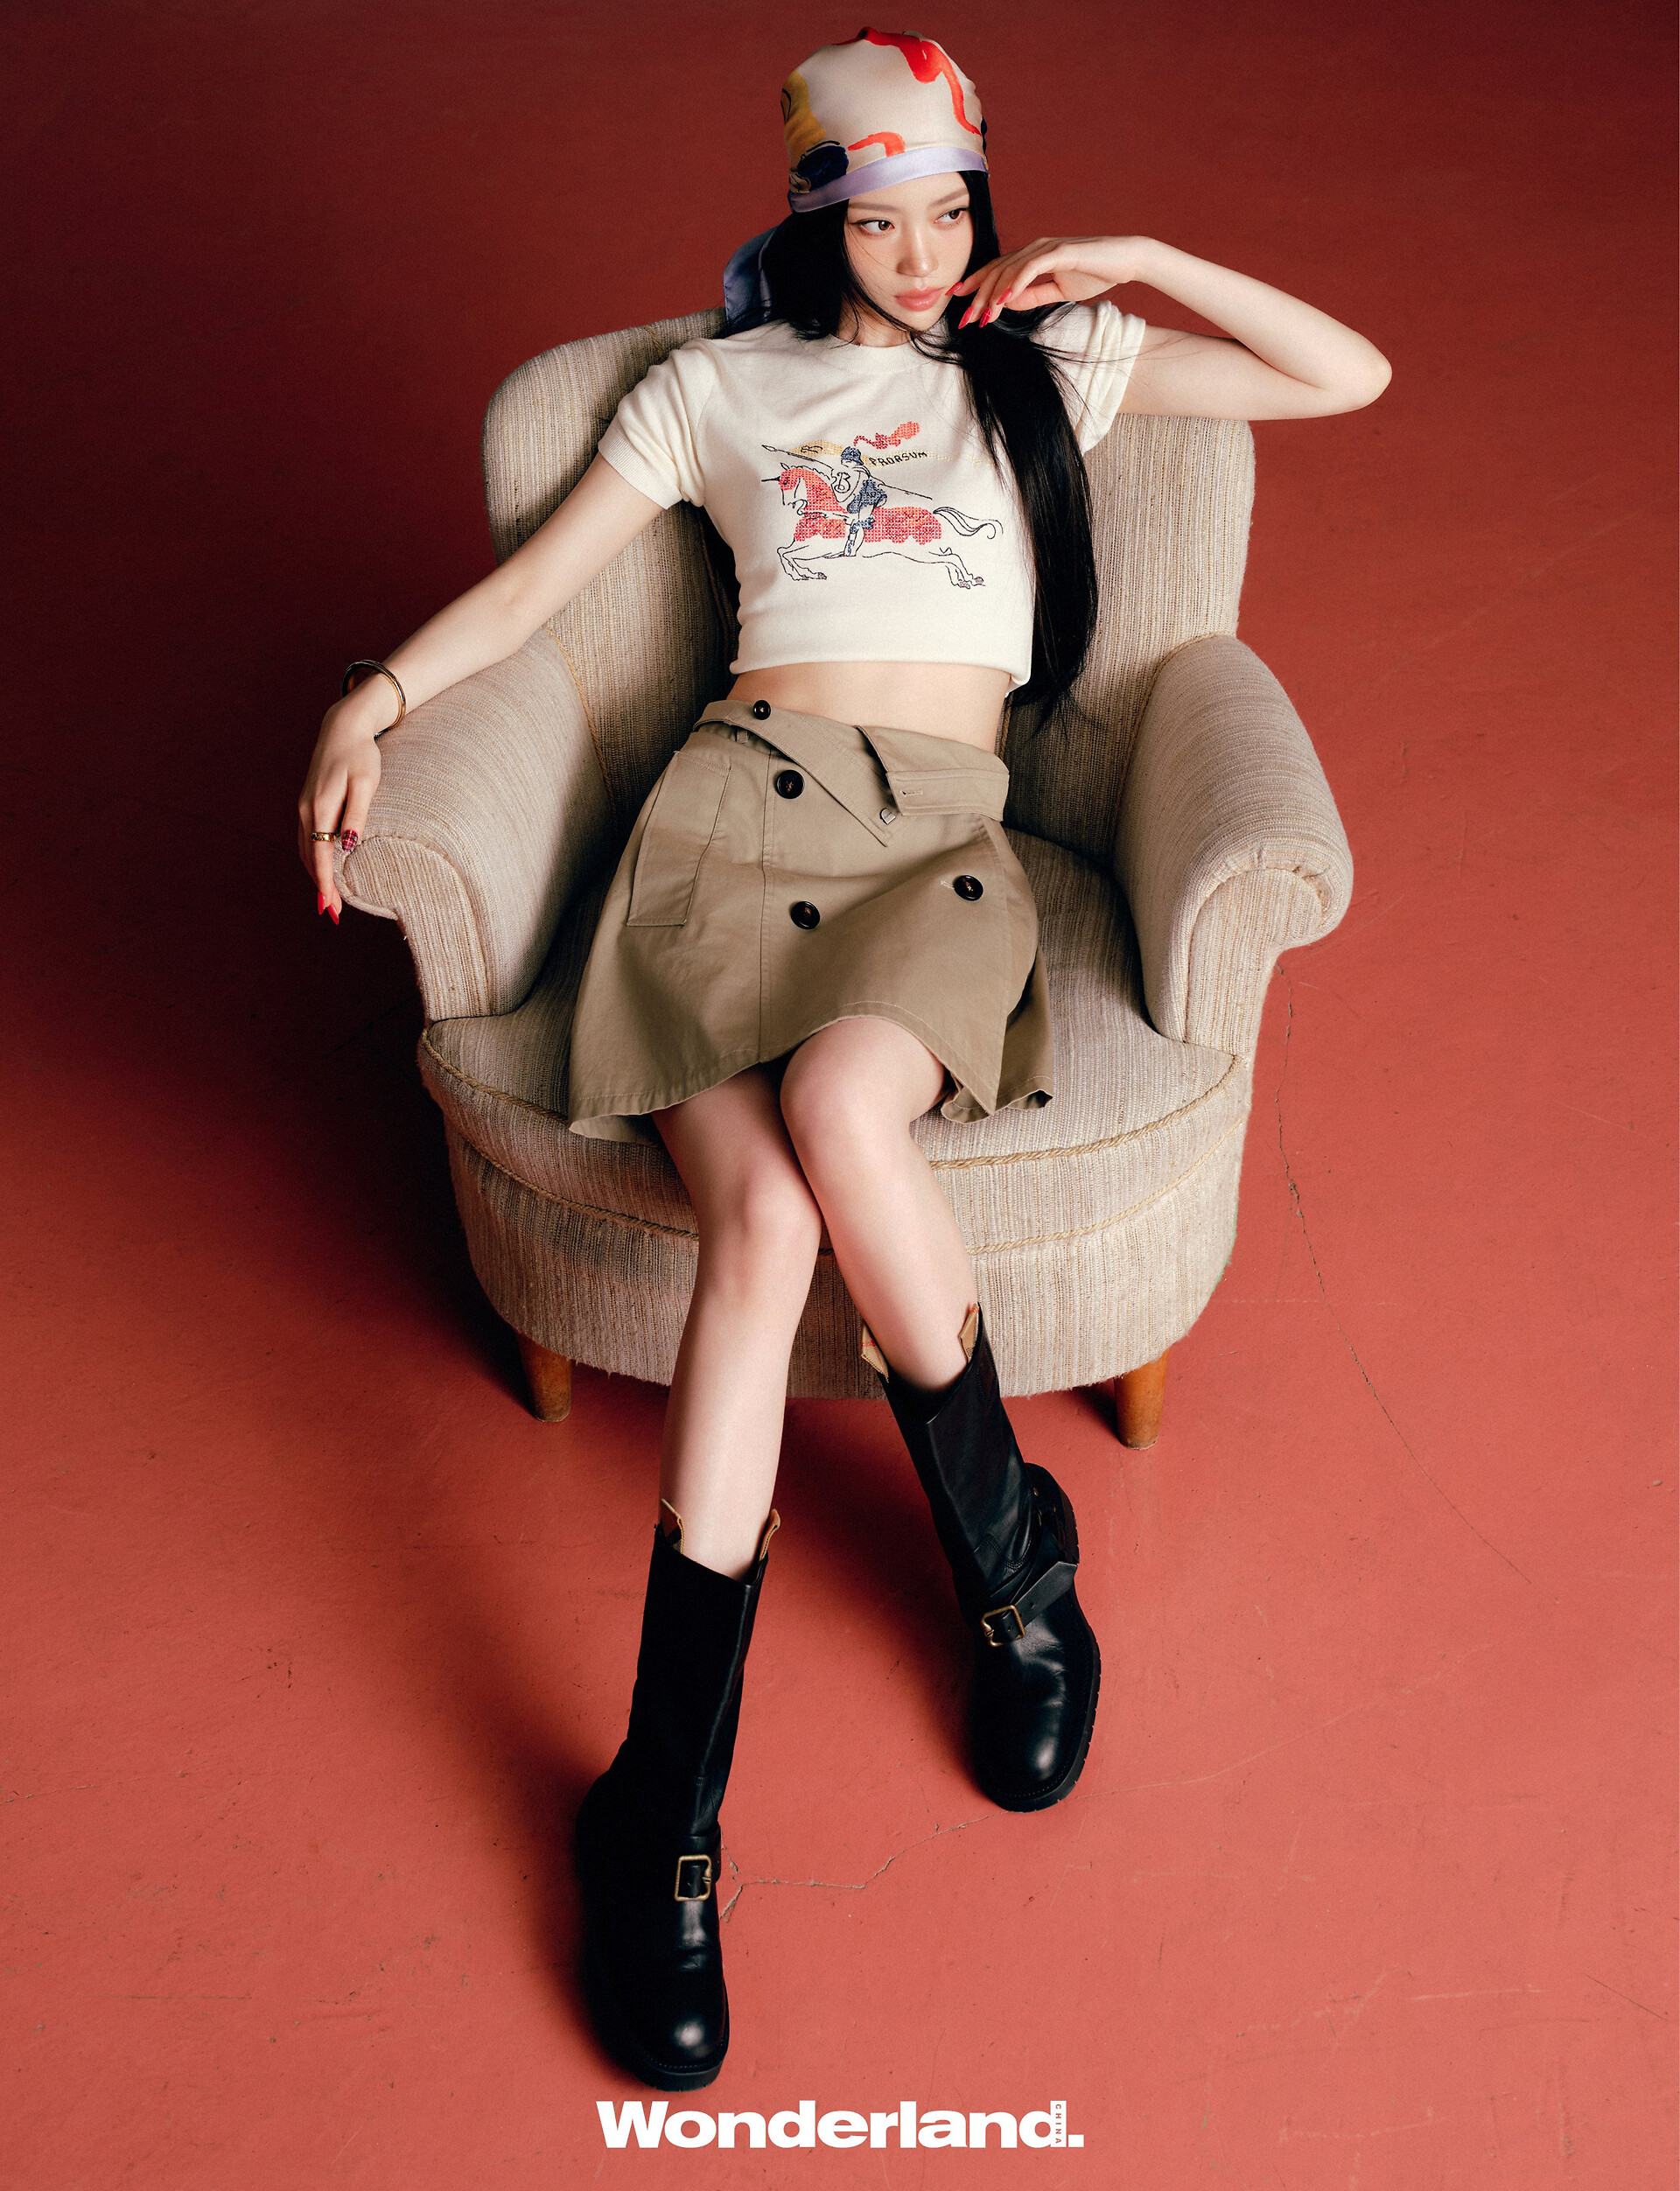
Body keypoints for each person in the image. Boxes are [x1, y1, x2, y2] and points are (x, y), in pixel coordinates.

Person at [297, 26, 1390, 2094]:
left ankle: (1014, 1575)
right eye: (879, 218)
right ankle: (664, 1814)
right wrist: (370, 701)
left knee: (837, 1114)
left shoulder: (1048, 368)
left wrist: (1141, 258)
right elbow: (528, 600)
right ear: (816, 220)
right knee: (762, 1225)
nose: (919, 251)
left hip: (931, 850)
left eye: (948, 210)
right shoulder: (714, 391)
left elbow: (1351, 377)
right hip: (724, 832)